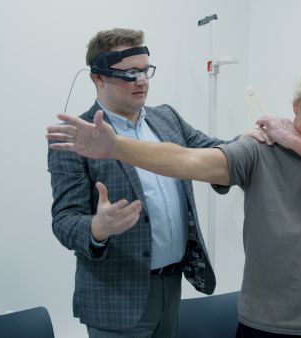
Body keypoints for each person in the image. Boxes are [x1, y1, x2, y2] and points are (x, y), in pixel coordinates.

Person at [47, 67, 301, 337]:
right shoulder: (259, 150)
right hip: (268, 321)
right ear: (297, 107)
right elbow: (189, 161)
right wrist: (117, 147)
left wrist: (293, 139)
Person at [48, 28, 266, 338]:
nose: (142, 80)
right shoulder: (77, 139)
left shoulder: (167, 119)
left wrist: (251, 141)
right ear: (99, 78)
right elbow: (64, 221)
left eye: (145, 70)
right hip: (116, 298)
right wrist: (98, 227)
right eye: (130, 73)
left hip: (171, 285)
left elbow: (214, 152)